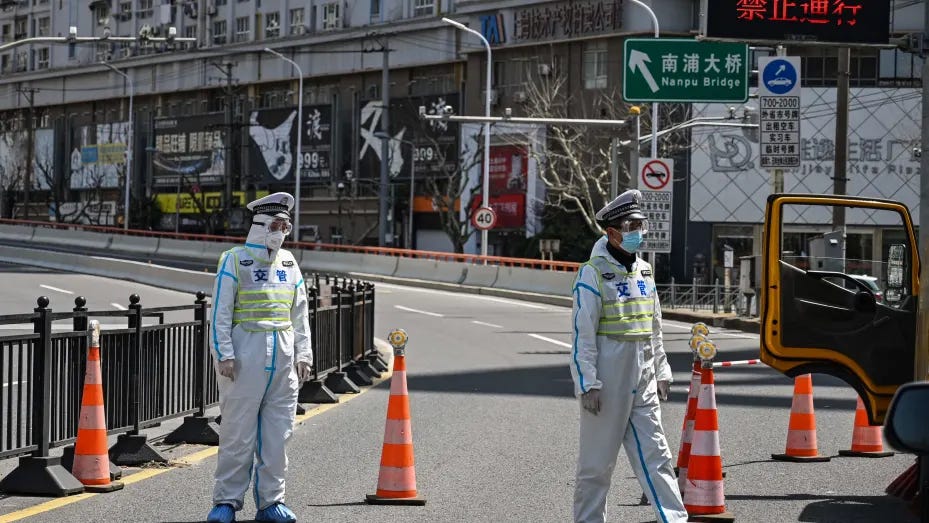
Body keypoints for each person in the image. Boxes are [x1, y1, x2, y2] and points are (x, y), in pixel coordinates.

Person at [570, 189, 687, 523]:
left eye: (641, 225)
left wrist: (662, 369)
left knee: (658, 456)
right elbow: (583, 336)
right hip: (607, 382)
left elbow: (654, 328)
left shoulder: (645, 272)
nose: (638, 232)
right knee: (597, 465)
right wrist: (587, 382)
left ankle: (675, 520)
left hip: (644, 377)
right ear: (612, 232)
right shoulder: (591, 273)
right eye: (631, 225)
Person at [207, 192, 312, 523]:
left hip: (282, 359)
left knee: (279, 435)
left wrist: (304, 353)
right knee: (238, 433)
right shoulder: (234, 260)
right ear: (262, 225)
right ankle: (226, 501)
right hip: (244, 356)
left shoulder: (289, 262)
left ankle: (272, 502)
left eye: (286, 225)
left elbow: (300, 314)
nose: (282, 232)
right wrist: (223, 354)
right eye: (278, 225)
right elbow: (220, 313)